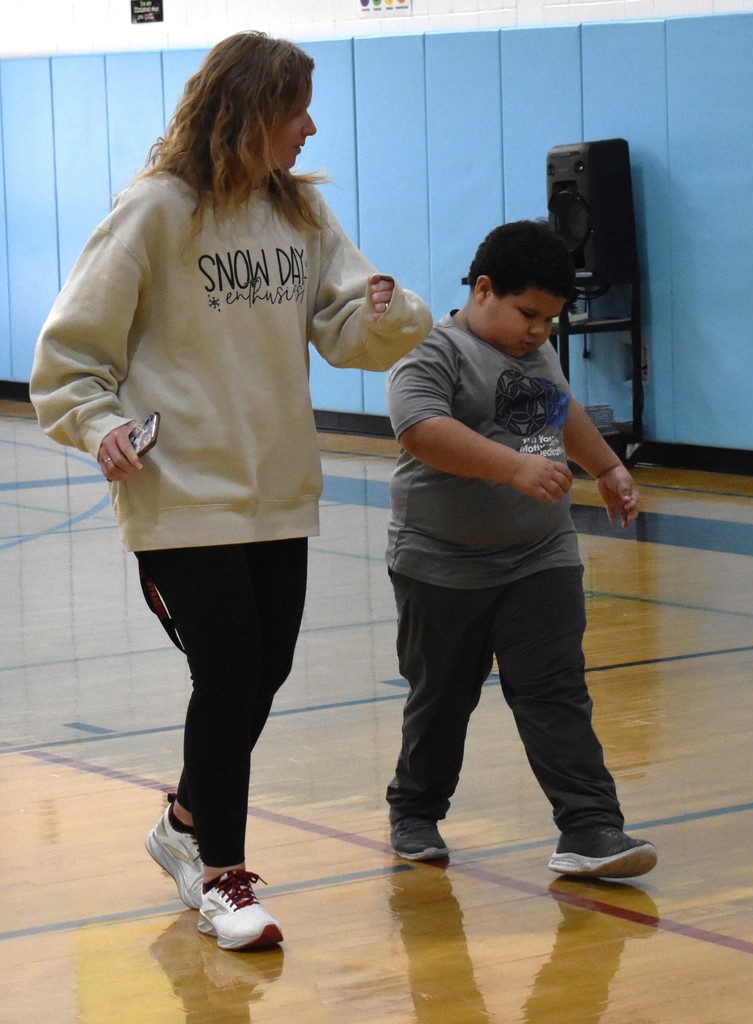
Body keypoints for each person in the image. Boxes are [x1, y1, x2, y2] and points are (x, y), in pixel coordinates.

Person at [30, 30, 432, 952]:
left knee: (266, 669)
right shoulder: (156, 211)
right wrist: (101, 425)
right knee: (228, 674)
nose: (310, 127)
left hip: (276, 488)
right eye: (295, 110)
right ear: (250, 109)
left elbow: (341, 328)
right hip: (180, 494)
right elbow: (69, 358)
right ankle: (220, 874)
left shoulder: (299, 215)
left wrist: (389, 313)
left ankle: (179, 822)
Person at [384, 219, 657, 879]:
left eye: (551, 321)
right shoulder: (430, 349)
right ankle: (415, 809)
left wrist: (608, 468)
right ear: (482, 289)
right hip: (443, 564)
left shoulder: (536, 353)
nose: (539, 331)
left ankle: (591, 828)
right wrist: (511, 467)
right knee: (443, 696)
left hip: (540, 556)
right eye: (528, 314)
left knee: (556, 690)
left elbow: (562, 411)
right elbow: (421, 431)